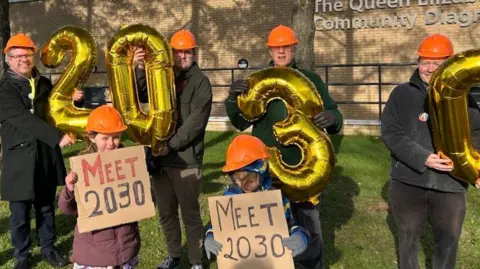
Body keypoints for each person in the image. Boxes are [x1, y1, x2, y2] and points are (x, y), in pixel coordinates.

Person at [225, 25, 343, 269]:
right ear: (269, 49)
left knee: (308, 226)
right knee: (267, 229)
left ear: (294, 48)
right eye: (276, 47)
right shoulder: (257, 81)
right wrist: (232, 99)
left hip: (305, 168)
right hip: (266, 170)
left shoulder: (311, 80)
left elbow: (334, 115)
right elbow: (239, 122)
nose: (281, 52)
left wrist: (333, 118)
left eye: (286, 47)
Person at [381, 33, 480, 269]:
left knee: (448, 241)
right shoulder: (401, 94)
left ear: (449, 64)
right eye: (425, 62)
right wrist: (423, 157)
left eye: (437, 62)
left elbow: (477, 133)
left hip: (450, 185)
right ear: (418, 64)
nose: (430, 68)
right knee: (408, 239)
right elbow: (391, 133)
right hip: (408, 181)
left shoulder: (465, 98)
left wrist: (475, 167)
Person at [133, 29, 213, 269]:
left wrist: (170, 146)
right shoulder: (163, 75)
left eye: (187, 51)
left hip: (185, 160)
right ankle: (174, 256)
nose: (182, 56)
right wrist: (138, 68)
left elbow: (195, 124)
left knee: (190, 215)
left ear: (194, 53)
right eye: (178, 51)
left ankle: (197, 261)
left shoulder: (201, 83)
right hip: (160, 161)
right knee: (166, 213)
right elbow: (142, 92)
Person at [0, 33, 74, 269]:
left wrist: (76, 102)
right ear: (8, 60)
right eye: (18, 55)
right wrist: (57, 136)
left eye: (28, 54)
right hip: (19, 159)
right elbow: (23, 119)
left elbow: (55, 109)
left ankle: (48, 248)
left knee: (45, 206)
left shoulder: (43, 82)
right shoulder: (4, 90)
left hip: (44, 157)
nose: (24, 59)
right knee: (20, 214)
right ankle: (22, 255)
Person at [203, 134, 312, 262]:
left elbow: (291, 224)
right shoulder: (229, 200)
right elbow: (215, 225)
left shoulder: (275, 200)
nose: (244, 185)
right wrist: (210, 235)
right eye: (238, 178)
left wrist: (301, 236)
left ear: (261, 173)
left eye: (250, 178)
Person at [58, 105, 140, 269]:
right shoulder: (83, 168)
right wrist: (69, 190)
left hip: (125, 248)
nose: (111, 143)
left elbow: (140, 200)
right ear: (92, 137)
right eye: (105, 138)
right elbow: (67, 209)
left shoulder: (128, 164)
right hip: (94, 254)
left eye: (116, 137)